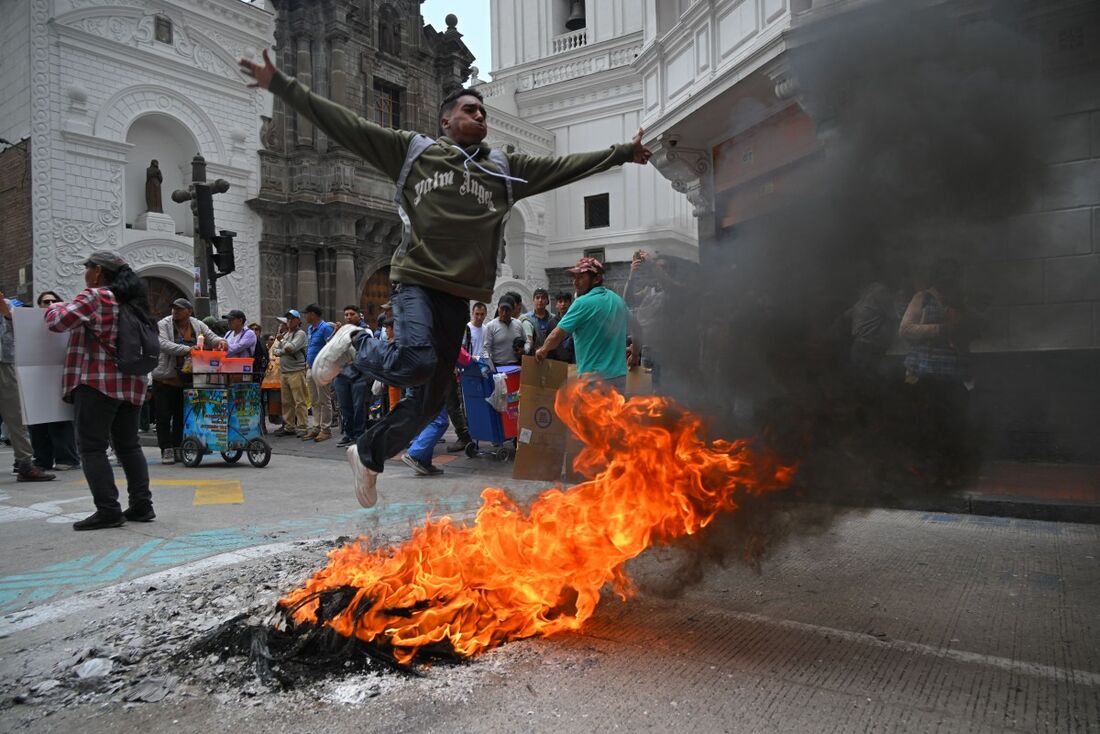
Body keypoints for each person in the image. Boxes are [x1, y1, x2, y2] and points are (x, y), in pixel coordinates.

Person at [240, 48, 652, 508]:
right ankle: (356, 340)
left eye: (483, 111)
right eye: (469, 109)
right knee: (415, 361)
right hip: (417, 280)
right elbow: (347, 126)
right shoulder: (414, 152)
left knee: (432, 400)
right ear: (445, 121)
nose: (479, 115)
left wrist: (623, 152)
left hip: (458, 297)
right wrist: (281, 84)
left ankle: (370, 454)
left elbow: (564, 167)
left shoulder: (503, 168)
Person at [44, 251, 153, 529]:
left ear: (97, 272)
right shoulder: (135, 304)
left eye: (87, 268)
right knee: (129, 446)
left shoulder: (95, 296)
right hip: (132, 383)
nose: (85, 274)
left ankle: (108, 510)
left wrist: (55, 306)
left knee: (92, 447)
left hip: (98, 382)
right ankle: (142, 505)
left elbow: (57, 322)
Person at [899, 258, 980, 488]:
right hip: (925, 373)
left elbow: (963, 337)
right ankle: (922, 473)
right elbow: (905, 329)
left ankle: (944, 472)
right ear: (939, 276)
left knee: (950, 423)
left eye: (954, 275)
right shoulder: (922, 298)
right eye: (947, 274)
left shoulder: (957, 302)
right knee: (927, 424)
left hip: (952, 374)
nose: (952, 279)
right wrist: (941, 329)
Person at [536, 257, 638, 391]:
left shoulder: (582, 303)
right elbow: (638, 329)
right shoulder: (617, 300)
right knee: (615, 412)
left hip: (593, 382)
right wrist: (635, 355)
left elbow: (557, 335)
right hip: (619, 379)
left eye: (581, 277)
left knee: (589, 413)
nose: (575, 282)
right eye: (574, 277)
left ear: (596, 279)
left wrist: (542, 350)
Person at [151, 298, 226, 464]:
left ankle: (178, 447)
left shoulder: (197, 324)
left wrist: (221, 342)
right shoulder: (163, 324)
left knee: (181, 417)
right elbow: (162, 344)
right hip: (165, 378)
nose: (175, 311)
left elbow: (211, 337)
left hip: (186, 380)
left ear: (189, 311)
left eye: (179, 309)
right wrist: (188, 349)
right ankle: (166, 449)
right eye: (173, 308)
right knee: (163, 417)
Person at [0, 292, 55, 482]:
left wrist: (4, 309)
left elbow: (21, 330)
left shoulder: (9, 305)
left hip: (5, 364)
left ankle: (24, 464)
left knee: (15, 415)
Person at [29, 291, 80, 472]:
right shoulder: (28, 324)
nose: (49, 304)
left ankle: (67, 458)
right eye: (45, 301)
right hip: (34, 377)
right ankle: (42, 459)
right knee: (37, 420)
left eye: (53, 301)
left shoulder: (67, 322)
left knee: (61, 417)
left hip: (61, 374)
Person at [334, 305, 372, 448]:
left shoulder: (365, 331)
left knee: (358, 406)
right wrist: (336, 334)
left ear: (359, 315)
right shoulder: (341, 332)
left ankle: (359, 435)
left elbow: (365, 352)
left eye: (351, 314)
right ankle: (348, 434)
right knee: (345, 406)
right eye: (346, 315)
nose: (348, 317)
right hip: (342, 374)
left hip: (358, 375)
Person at [272, 309, 308, 437]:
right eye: (288, 319)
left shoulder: (301, 334)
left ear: (298, 321)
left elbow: (289, 348)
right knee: (286, 401)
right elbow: (275, 351)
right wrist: (282, 347)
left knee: (299, 401)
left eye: (292, 319)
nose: (289, 321)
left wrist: (282, 343)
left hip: (296, 371)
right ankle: (289, 426)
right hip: (285, 372)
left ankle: (303, 427)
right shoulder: (286, 334)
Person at [302, 303, 335, 442]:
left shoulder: (325, 328)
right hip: (310, 367)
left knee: (324, 399)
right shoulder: (310, 328)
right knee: (314, 400)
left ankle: (325, 429)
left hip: (322, 368)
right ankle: (316, 427)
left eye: (306, 313)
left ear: (313, 314)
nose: (305, 316)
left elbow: (331, 346)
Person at [481, 297, 525, 369]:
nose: (504, 313)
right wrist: (490, 368)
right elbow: (485, 350)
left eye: (507, 310)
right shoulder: (490, 326)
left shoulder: (518, 324)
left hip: (516, 366)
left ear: (513, 310)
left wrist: (523, 350)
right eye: (502, 309)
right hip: (497, 367)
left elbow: (527, 343)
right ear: (498, 308)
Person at [528, 288, 558, 352]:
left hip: (551, 354)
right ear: (533, 300)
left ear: (547, 301)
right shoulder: (527, 318)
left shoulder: (554, 318)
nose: (540, 300)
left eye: (543, 298)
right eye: (537, 298)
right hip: (532, 355)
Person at [551, 293, 576, 363]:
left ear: (570, 304)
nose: (563, 304)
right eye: (560, 302)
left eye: (565, 301)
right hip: (556, 361)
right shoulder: (551, 322)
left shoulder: (575, 320)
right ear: (556, 305)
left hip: (573, 360)